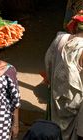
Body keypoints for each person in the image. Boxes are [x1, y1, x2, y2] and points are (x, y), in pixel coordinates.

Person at [45, 9, 83, 140]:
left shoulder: (60, 39)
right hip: (74, 105)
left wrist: (52, 82)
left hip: (56, 97)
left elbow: (48, 63)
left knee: (54, 130)